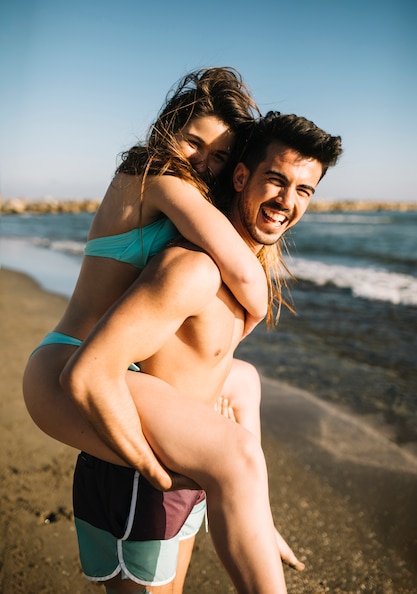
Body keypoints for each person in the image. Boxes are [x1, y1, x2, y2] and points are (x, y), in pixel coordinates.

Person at [23, 68, 304, 589]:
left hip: (113, 366)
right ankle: (244, 503)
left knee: (243, 381)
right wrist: (160, 472)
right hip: (67, 363)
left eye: (219, 156)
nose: (203, 159)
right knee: (231, 457)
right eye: (193, 140)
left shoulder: (179, 192)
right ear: (166, 129)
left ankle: (256, 516)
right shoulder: (155, 175)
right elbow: (245, 274)